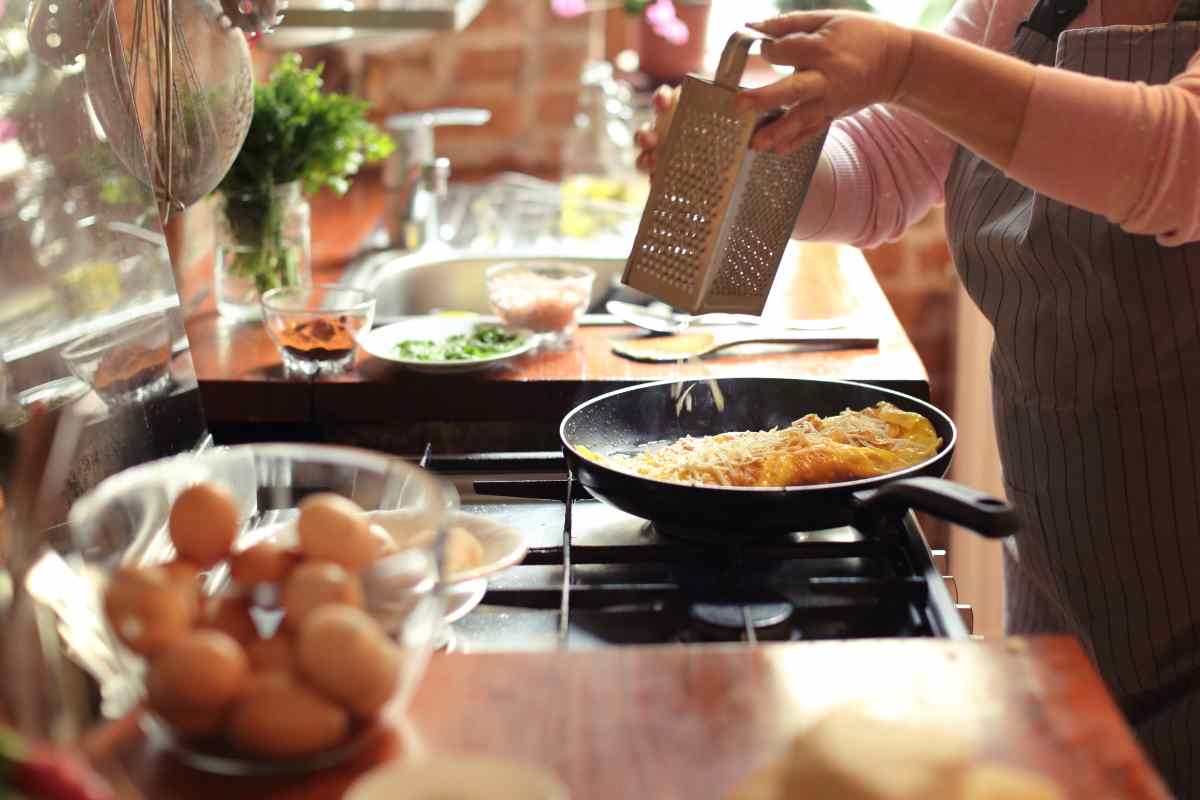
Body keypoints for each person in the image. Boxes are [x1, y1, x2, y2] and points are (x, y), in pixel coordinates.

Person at [637, 0, 1200, 794]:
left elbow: (1177, 157)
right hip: (1064, 551)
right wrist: (736, 165)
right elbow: (880, 173)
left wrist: (904, 64)